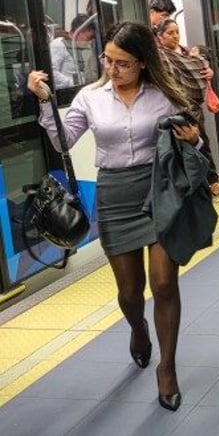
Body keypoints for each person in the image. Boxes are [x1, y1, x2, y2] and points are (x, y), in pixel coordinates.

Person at [27, 21, 200, 411]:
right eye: (107, 60)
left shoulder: (164, 95)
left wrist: (195, 139)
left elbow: (190, 135)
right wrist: (44, 101)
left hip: (160, 190)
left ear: (141, 63)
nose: (113, 68)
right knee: (129, 292)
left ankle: (167, 368)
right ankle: (139, 329)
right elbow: (64, 141)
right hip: (115, 195)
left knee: (164, 283)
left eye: (122, 62)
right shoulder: (91, 98)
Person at [154, 17, 219, 197]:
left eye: (177, 32)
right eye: (170, 33)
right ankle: (200, 184)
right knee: (183, 147)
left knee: (201, 141)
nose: (175, 36)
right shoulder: (161, 56)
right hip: (175, 108)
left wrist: (208, 70)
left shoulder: (188, 53)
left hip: (194, 108)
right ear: (160, 36)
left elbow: (201, 67)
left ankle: (212, 182)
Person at [50, 13, 96, 89]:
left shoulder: (81, 48)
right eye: (89, 37)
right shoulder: (59, 44)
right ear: (79, 31)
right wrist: (70, 83)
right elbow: (52, 72)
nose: (89, 41)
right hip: (65, 92)